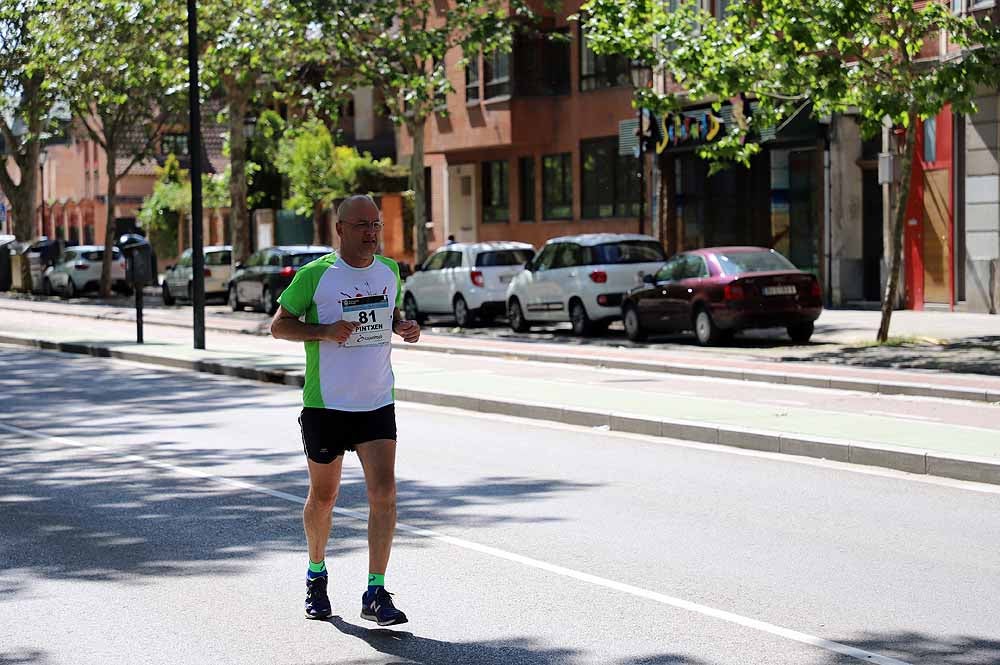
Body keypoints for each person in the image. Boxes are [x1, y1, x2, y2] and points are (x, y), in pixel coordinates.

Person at [270, 194, 421, 625]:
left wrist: (403, 327)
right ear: (340, 229)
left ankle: (375, 591)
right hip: (326, 404)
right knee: (325, 497)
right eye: (361, 225)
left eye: (376, 224)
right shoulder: (315, 275)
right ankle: (316, 575)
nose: (372, 232)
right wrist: (324, 331)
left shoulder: (390, 270)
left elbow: (388, 314)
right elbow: (279, 325)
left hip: (375, 402)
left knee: (385, 495)